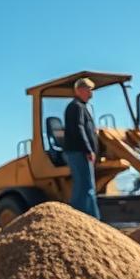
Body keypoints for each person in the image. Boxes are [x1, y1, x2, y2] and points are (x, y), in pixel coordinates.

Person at [63, 77, 101, 219]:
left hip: (80, 151)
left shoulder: (81, 107)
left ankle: (91, 219)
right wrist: (88, 149)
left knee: (86, 187)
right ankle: (84, 219)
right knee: (85, 187)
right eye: (89, 89)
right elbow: (78, 129)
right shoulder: (76, 107)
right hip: (78, 152)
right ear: (79, 90)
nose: (92, 93)